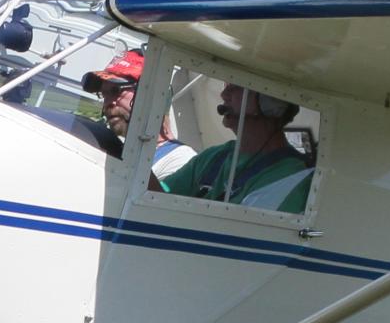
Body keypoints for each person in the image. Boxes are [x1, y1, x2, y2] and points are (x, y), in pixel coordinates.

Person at [160, 82, 313, 214]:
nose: (224, 94)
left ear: (269, 102)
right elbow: (156, 196)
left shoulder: (291, 176)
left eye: (236, 87)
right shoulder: (215, 156)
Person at [81, 49, 195, 180]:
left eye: (116, 91)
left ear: (151, 94)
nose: (107, 103)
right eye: (103, 94)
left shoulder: (181, 161)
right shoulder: (124, 148)